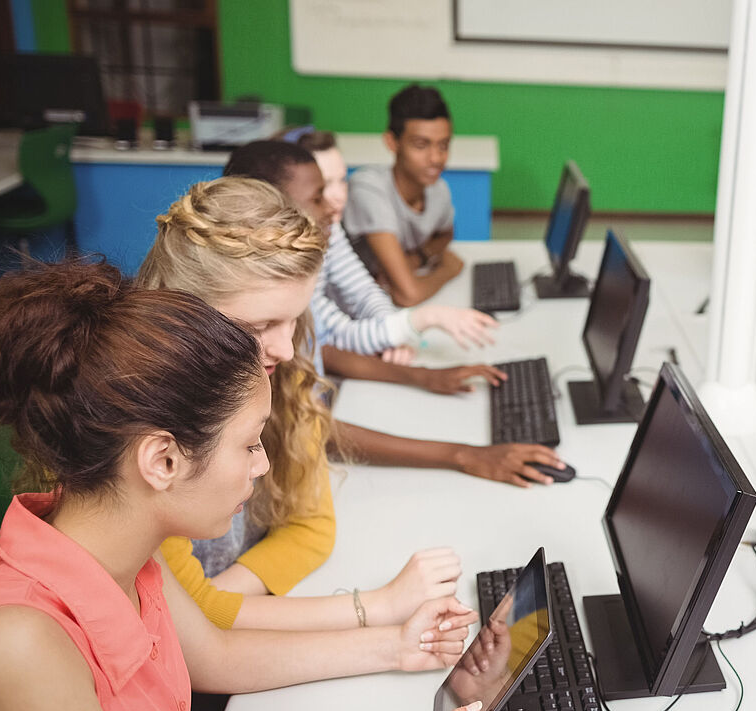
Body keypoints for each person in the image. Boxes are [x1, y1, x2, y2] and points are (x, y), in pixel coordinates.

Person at [0, 260, 493, 711]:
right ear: (163, 460)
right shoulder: (14, 647)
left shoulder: (122, 543)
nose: (263, 465)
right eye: (250, 444)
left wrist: (397, 645)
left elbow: (213, 656)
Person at [136, 178, 467, 629]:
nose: (287, 349)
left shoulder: (279, 374)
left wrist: (216, 601)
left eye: (293, 320)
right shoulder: (133, 423)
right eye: (260, 327)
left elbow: (311, 530)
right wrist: (378, 608)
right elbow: (189, 623)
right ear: (183, 312)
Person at [218, 149, 568, 487]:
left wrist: (421, 376)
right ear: (268, 208)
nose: (335, 205)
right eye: (319, 196)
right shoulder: (248, 310)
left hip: (322, 417)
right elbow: (308, 429)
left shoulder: (295, 281)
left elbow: (319, 347)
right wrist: (462, 455)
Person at [227, 138, 498, 382]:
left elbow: (362, 291)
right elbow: (335, 334)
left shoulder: (325, 227)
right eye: (320, 194)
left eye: (341, 180)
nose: (335, 201)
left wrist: (394, 333)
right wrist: (419, 322)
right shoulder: (272, 278)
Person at [344, 84, 462, 307]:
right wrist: (448, 269)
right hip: (348, 314)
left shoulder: (439, 189)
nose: (436, 158)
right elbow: (407, 295)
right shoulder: (369, 188)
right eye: (421, 145)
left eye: (443, 145)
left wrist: (419, 258)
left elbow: (446, 233)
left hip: (385, 304)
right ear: (392, 142)